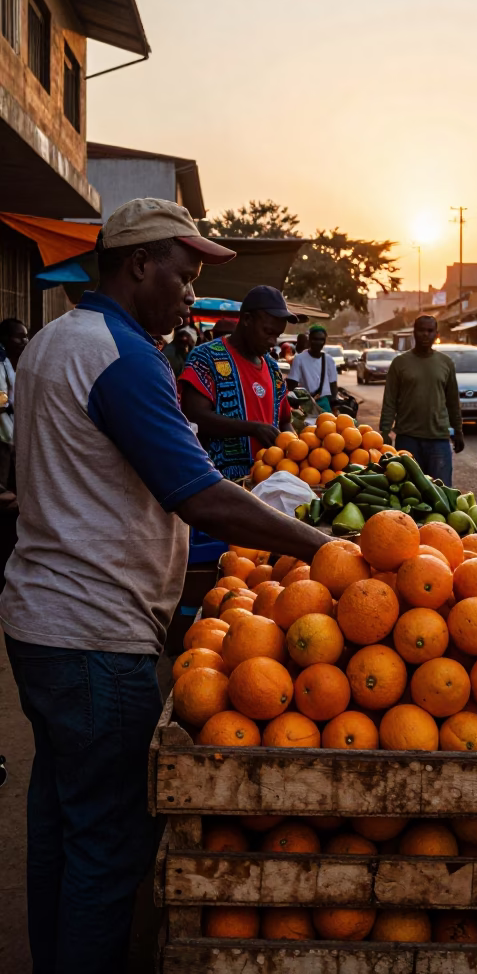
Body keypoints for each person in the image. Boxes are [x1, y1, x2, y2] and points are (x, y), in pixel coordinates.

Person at [0, 198, 326, 974]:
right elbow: (197, 490)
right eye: (183, 275)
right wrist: (326, 548)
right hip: (92, 635)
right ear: (139, 264)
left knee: (63, 823)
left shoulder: (53, 339)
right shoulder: (124, 353)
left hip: (42, 621)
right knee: (110, 846)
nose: (190, 295)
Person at [179, 285, 296, 480]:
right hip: (219, 482)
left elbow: (284, 421)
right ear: (247, 319)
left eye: (277, 335)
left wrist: (296, 449)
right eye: (268, 332)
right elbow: (194, 415)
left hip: (270, 483)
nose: (272, 341)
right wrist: (252, 428)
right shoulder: (206, 357)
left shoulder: (273, 369)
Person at [379, 314, 464, 483]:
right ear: (414, 333)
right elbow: (390, 400)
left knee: (442, 491)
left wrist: (458, 431)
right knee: (408, 491)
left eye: (430, 331)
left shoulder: (446, 363)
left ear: (436, 334)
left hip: (438, 439)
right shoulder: (400, 363)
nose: (426, 334)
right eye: (421, 330)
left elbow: (453, 401)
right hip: (407, 438)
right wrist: (385, 431)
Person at [0, 317, 28, 509]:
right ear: (5, 338)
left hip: (10, 434)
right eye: (19, 337)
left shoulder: (10, 362)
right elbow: (1, 399)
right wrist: (9, 404)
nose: (24, 342)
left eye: (26, 337)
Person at [286, 324, 338, 412]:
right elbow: (292, 384)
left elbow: (333, 385)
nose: (318, 342)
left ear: (325, 341)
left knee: (327, 425)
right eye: (315, 339)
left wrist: (334, 406)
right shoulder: (299, 359)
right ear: (309, 340)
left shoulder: (329, 360)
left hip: (324, 403)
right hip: (305, 404)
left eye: (321, 340)